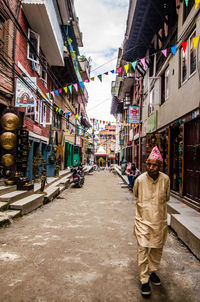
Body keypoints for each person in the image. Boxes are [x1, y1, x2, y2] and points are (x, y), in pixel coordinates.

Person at [133, 146, 170, 296]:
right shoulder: (140, 180)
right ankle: (144, 280)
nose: (151, 167)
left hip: (159, 221)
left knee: (156, 248)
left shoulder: (165, 180)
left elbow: (166, 197)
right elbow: (136, 194)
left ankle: (153, 271)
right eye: (149, 164)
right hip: (142, 220)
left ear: (160, 166)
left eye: (155, 165)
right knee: (143, 249)